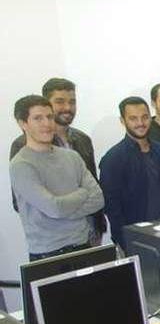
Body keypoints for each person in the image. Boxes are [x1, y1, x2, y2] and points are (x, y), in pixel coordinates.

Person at [10, 78, 105, 244]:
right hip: (53, 243)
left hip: (90, 233)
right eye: (60, 102)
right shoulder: (21, 147)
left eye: (72, 102)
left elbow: (96, 195)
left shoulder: (83, 139)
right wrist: (76, 199)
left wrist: (62, 210)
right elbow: (23, 203)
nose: (67, 107)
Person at [99, 96, 160, 246]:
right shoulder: (113, 159)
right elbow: (112, 206)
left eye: (145, 117)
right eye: (133, 118)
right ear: (122, 121)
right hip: (136, 239)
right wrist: (125, 241)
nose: (140, 123)